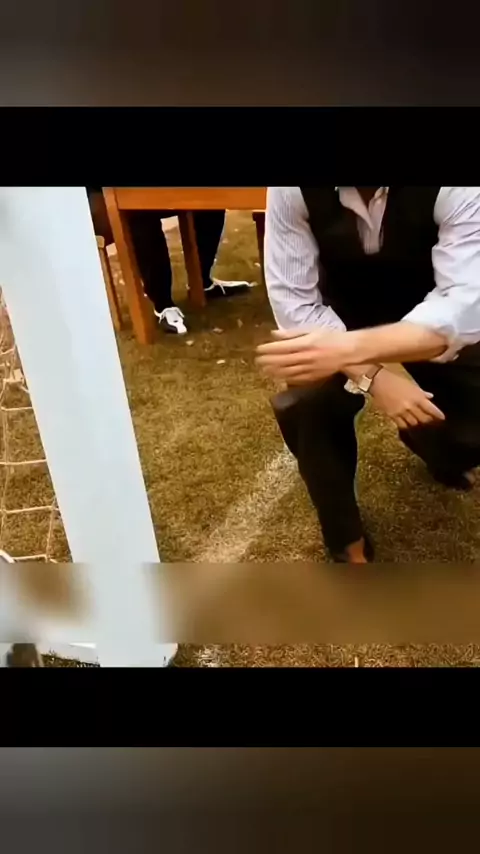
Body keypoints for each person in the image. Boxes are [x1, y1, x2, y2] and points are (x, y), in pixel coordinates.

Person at [256, 187, 480, 563]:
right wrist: (374, 377)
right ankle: (347, 542)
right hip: (333, 317)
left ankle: (438, 448)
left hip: (427, 312)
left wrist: (353, 351)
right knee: (308, 401)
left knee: (472, 424)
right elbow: (296, 304)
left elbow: (464, 306)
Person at [87, 188, 250, 334]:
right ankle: (163, 304)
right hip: (100, 201)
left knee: (211, 197)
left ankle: (201, 282)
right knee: (139, 211)